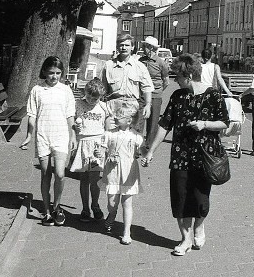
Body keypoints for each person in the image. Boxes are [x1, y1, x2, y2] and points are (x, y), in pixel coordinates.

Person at [141, 54, 229, 255]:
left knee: (200, 200)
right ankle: (186, 239)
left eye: (177, 76)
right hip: (181, 156)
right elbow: (164, 126)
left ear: (188, 76)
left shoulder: (213, 95)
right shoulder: (177, 96)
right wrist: (151, 151)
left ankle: (199, 225)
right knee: (180, 199)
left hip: (205, 156)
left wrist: (204, 124)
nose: (175, 80)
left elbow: (224, 122)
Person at [21, 56, 76, 226]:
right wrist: (29, 136)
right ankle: (46, 211)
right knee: (45, 174)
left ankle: (57, 207)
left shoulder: (66, 90)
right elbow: (31, 116)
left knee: (60, 174)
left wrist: (73, 135)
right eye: (51, 73)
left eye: (58, 73)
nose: (54, 76)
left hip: (60, 136)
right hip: (43, 136)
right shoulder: (37, 90)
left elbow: (70, 115)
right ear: (44, 71)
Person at [96, 103, 144, 245]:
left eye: (119, 116)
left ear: (129, 121)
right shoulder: (110, 134)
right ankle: (112, 214)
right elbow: (102, 149)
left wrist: (145, 156)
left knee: (127, 202)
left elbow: (142, 151)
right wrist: (99, 152)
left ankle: (126, 232)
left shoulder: (135, 136)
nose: (115, 117)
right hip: (113, 171)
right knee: (112, 203)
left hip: (129, 172)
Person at [70, 78, 111, 223]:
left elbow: (107, 130)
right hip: (83, 144)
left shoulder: (104, 107)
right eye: (89, 96)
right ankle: (85, 208)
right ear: (85, 93)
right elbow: (72, 122)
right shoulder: (78, 104)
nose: (92, 100)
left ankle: (95, 205)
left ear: (101, 96)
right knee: (84, 179)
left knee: (95, 178)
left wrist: (103, 147)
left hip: (96, 146)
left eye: (96, 98)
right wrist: (75, 128)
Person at [101, 34, 154, 131]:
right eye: (121, 45)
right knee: (111, 138)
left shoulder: (140, 66)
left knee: (131, 139)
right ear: (117, 47)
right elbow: (102, 90)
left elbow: (147, 88)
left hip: (132, 107)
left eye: (127, 45)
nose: (124, 48)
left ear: (132, 47)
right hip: (112, 106)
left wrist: (148, 105)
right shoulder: (108, 66)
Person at [138, 36, 170, 142]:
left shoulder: (161, 63)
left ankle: (148, 147)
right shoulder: (140, 61)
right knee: (139, 122)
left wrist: (157, 91)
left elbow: (166, 81)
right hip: (142, 96)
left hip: (155, 96)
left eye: (144, 46)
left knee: (152, 124)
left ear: (150, 47)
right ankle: (138, 145)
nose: (142, 48)